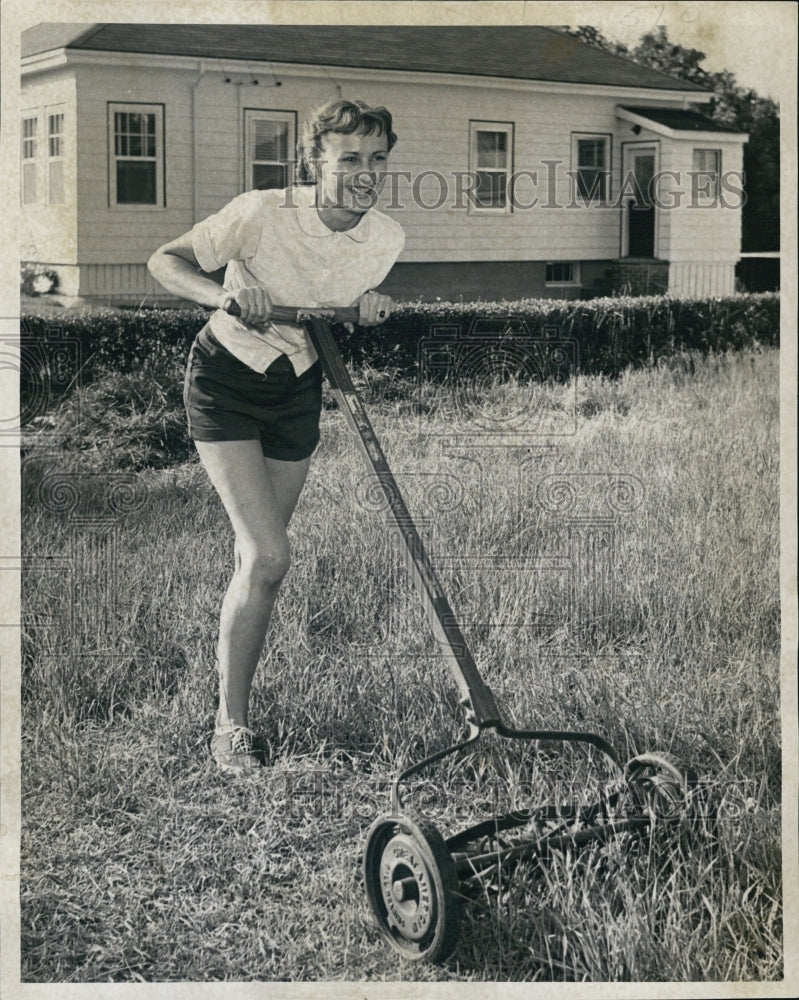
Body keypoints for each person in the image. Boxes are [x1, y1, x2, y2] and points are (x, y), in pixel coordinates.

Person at [148, 98, 405, 771]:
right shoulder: (261, 213)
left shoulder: (385, 240)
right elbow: (165, 260)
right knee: (268, 556)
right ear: (315, 160)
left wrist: (365, 310)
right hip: (225, 381)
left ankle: (230, 684)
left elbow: (337, 305)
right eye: (349, 157)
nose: (364, 172)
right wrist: (223, 296)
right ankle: (230, 726)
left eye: (376, 159)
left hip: (296, 390)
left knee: (258, 565)